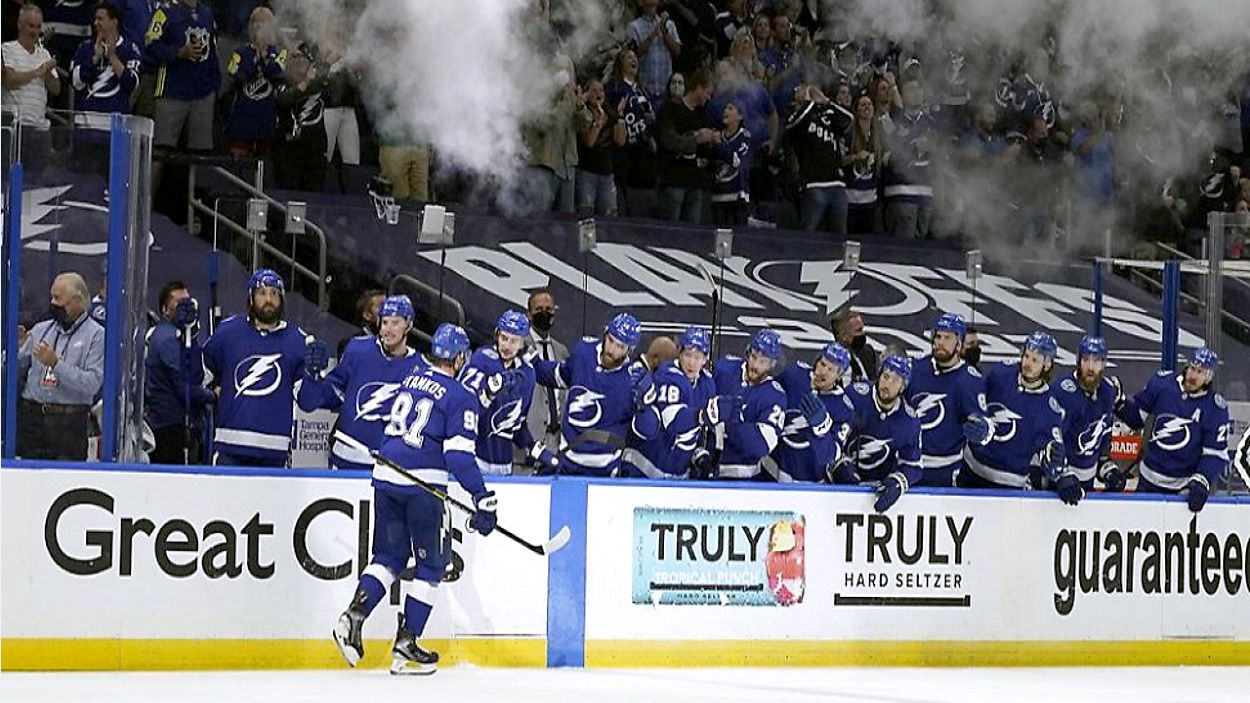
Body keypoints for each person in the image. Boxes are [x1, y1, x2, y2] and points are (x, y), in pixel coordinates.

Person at [332, 323, 495, 676]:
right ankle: (406, 646)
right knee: (433, 565)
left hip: (386, 476)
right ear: (460, 358)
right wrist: (482, 497)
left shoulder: (412, 378)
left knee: (389, 556)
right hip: (423, 485)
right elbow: (458, 457)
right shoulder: (460, 395)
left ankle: (353, 616)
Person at [202, 268, 318, 467]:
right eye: (262, 293)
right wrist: (187, 337)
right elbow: (198, 375)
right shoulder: (229, 333)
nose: (268, 299)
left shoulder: (298, 340)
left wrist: (314, 372)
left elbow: (308, 401)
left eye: (274, 293)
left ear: (282, 299)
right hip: (230, 448)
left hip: (275, 451)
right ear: (251, 298)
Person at [297, 295, 425, 471]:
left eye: (395, 323)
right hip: (345, 459)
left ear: (408, 325)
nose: (388, 329)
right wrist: (312, 376)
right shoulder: (358, 350)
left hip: (389, 469)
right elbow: (328, 395)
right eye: (385, 322)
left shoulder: (421, 368)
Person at [957, 331, 1078, 504]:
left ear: (1047, 364)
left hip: (1008, 487)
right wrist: (976, 419)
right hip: (971, 472)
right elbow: (976, 400)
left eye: (1035, 360)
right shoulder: (1002, 374)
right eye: (1026, 356)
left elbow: (1052, 453)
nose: (1027, 363)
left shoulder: (1050, 409)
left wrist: (1061, 474)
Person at [532, 312, 652, 476]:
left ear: (630, 350)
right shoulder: (583, 353)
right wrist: (531, 360)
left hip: (606, 471)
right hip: (568, 465)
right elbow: (557, 375)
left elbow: (648, 433)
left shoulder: (634, 380)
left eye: (620, 347)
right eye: (611, 340)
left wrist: (645, 404)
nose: (612, 350)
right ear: (605, 334)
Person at [1115, 348, 1230, 512]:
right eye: (1192, 368)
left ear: (1209, 377)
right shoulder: (1163, 384)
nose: (1193, 376)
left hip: (1182, 491)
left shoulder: (1215, 409)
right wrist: (1119, 403)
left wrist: (1202, 479)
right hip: (1147, 482)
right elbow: (1137, 419)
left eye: (1200, 372)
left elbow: (1215, 454)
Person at [16, 272, 104, 460]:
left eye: (58, 298)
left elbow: (92, 383)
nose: (53, 303)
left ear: (78, 299)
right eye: (52, 297)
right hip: (33, 420)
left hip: (68, 425)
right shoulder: (41, 330)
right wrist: (16, 347)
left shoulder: (96, 336)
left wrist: (56, 364)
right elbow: (16, 368)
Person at [621, 327, 722, 479]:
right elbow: (673, 422)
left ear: (705, 358)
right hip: (644, 469)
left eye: (697, 357)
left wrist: (700, 454)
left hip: (677, 476)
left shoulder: (707, 384)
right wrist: (702, 415)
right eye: (687, 355)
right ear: (679, 353)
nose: (692, 362)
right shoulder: (667, 375)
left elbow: (698, 433)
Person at [905, 313, 992, 487]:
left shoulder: (970, 380)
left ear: (959, 343)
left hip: (945, 471)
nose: (940, 343)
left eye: (947, 338)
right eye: (937, 337)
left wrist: (984, 431)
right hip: (908, 464)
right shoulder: (914, 369)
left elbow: (983, 424)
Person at [459, 310, 551, 476]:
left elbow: (516, 425)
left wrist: (533, 447)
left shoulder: (528, 374)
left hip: (505, 465)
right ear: (497, 335)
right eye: (504, 338)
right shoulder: (482, 359)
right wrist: (488, 393)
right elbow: (464, 410)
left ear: (523, 343)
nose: (507, 346)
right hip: (474, 458)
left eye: (514, 341)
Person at [830, 354, 923, 512]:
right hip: (839, 489)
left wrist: (899, 482)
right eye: (886, 376)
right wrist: (837, 463)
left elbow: (914, 465)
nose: (887, 384)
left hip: (877, 489)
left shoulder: (909, 421)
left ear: (903, 387)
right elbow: (830, 437)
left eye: (895, 380)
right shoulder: (856, 395)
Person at [144, 280, 215, 464]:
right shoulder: (168, 339)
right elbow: (186, 388)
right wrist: (213, 395)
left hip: (174, 425)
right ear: (166, 309)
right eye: (180, 304)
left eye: (189, 303)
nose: (187, 308)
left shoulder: (182, 335)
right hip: (172, 428)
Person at [145, 0, 220, 170]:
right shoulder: (164, 12)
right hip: (171, 92)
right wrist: (177, 53)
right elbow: (150, 46)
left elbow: (213, 52)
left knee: (200, 156)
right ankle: (146, 196)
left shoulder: (207, 13)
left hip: (203, 93)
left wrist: (215, 86)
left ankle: (196, 196)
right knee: (160, 152)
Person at [770, 342, 855, 483]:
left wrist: (822, 428)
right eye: (822, 364)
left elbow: (831, 455)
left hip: (807, 484)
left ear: (839, 376)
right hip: (771, 471)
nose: (823, 372)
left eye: (830, 369)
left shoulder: (843, 409)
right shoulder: (794, 375)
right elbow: (769, 393)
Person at [708, 328, 787, 480]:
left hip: (742, 478)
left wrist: (732, 421)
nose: (755, 365)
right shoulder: (724, 369)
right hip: (705, 466)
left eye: (763, 361)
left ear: (772, 364)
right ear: (747, 353)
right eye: (754, 357)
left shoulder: (775, 396)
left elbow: (760, 446)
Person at [1051, 336, 1120, 491]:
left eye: (1096, 361)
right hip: (1057, 482)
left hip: (1087, 483)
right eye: (1086, 360)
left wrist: (1109, 471)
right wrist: (1061, 474)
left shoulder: (1108, 392)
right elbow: (1049, 440)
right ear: (1078, 361)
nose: (1090, 367)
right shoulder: (1062, 391)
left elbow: (1103, 444)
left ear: (1103, 364)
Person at [785, 83, 853, 233]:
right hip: (814, 185)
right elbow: (797, 122)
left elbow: (849, 119)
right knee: (809, 235)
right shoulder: (795, 117)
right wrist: (808, 101)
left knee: (840, 237)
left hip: (837, 185)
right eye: (800, 89)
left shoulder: (828, 116)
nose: (806, 90)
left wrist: (825, 101)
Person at [657, 68, 717, 223]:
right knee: (670, 230)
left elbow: (702, 151)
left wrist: (710, 141)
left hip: (694, 183)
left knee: (692, 235)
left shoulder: (701, 113)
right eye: (707, 93)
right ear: (698, 88)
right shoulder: (671, 108)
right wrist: (696, 139)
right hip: (673, 181)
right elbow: (669, 141)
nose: (708, 98)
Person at [224, 7, 285, 158]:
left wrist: (264, 56)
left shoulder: (279, 53)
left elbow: (275, 73)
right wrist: (255, 57)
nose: (259, 27)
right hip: (242, 122)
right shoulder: (240, 52)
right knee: (238, 172)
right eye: (256, 23)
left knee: (264, 171)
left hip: (266, 122)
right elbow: (238, 75)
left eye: (263, 23)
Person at [69, 2, 141, 115]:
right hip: (87, 119)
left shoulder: (129, 49)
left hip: (116, 120)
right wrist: (95, 58)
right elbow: (75, 82)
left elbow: (132, 84)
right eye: (95, 19)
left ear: (114, 22)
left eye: (100, 19)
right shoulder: (85, 48)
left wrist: (112, 57)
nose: (96, 23)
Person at [522, 289, 567, 463]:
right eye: (539, 309)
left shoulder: (561, 350)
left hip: (556, 441)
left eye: (548, 309)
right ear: (529, 313)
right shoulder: (518, 346)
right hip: (528, 439)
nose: (544, 313)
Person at [2, 3, 60, 129]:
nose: (34, 31)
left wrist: (48, 73)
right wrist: (37, 72)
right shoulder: (7, 49)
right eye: (31, 26)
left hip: (40, 126)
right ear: (19, 25)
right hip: (16, 125)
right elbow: (9, 80)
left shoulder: (45, 54)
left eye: (38, 27)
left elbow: (56, 89)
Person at [575, 77, 626, 217]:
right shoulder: (582, 114)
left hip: (607, 174)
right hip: (586, 173)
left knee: (609, 216)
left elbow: (620, 141)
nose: (599, 94)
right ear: (587, 94)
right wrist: (598, 123)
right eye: (594, 90)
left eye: (601, 90)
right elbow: (589, 142)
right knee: (586, 216)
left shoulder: (609, 112)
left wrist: (620, 116)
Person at [628, 0, 682, 103]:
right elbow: (635, 54)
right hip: (645, 90)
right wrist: (655, 31)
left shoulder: (669, 24)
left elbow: (677, 51)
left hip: (666, 91)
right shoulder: (634, 26)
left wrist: (664, 31)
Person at [710, 100, 752, 226]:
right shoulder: (716, 135)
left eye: (730, 108)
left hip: (737, 197)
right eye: (725, 108)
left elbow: (735, 160)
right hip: (717, 196)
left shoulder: (744, 136)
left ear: (740, 116)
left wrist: (718, 144)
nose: (725, 111)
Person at [830, 308, 876, 381]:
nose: (863, 333)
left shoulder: (868, 352)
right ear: (844, 336)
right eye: (859, 330)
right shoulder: (832, 361)